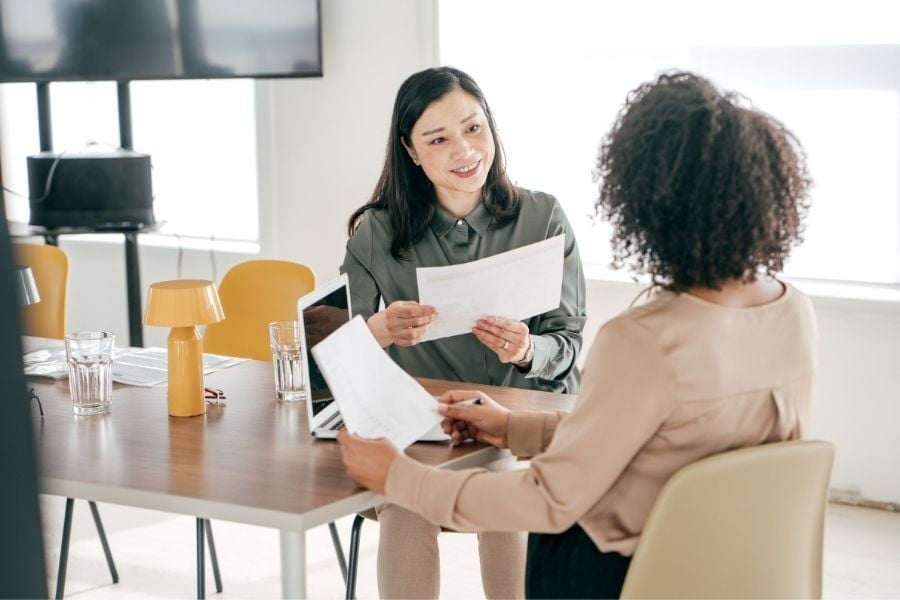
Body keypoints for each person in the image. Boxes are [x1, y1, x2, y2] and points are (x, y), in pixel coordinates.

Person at [337, 71, 816, 599]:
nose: (463, 150)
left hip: (627, 574)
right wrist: (513, 427)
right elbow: (652, 439)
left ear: (640, 204)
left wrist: (398, 478)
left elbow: (549, 499)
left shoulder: (641, 340)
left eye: (473, 128)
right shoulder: (794, 313)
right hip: (733, 570)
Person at [340, 66, 586, 599]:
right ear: (411, 150)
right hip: (424, 429)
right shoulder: (375, 234)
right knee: (405, 502)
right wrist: (379, 330)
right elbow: (334, 357)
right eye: (439, 139)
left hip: (515, 422)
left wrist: (527, 349)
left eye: (474, 128)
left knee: (503, 488)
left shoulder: (542, 217)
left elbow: (567, 345)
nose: (464, 150)